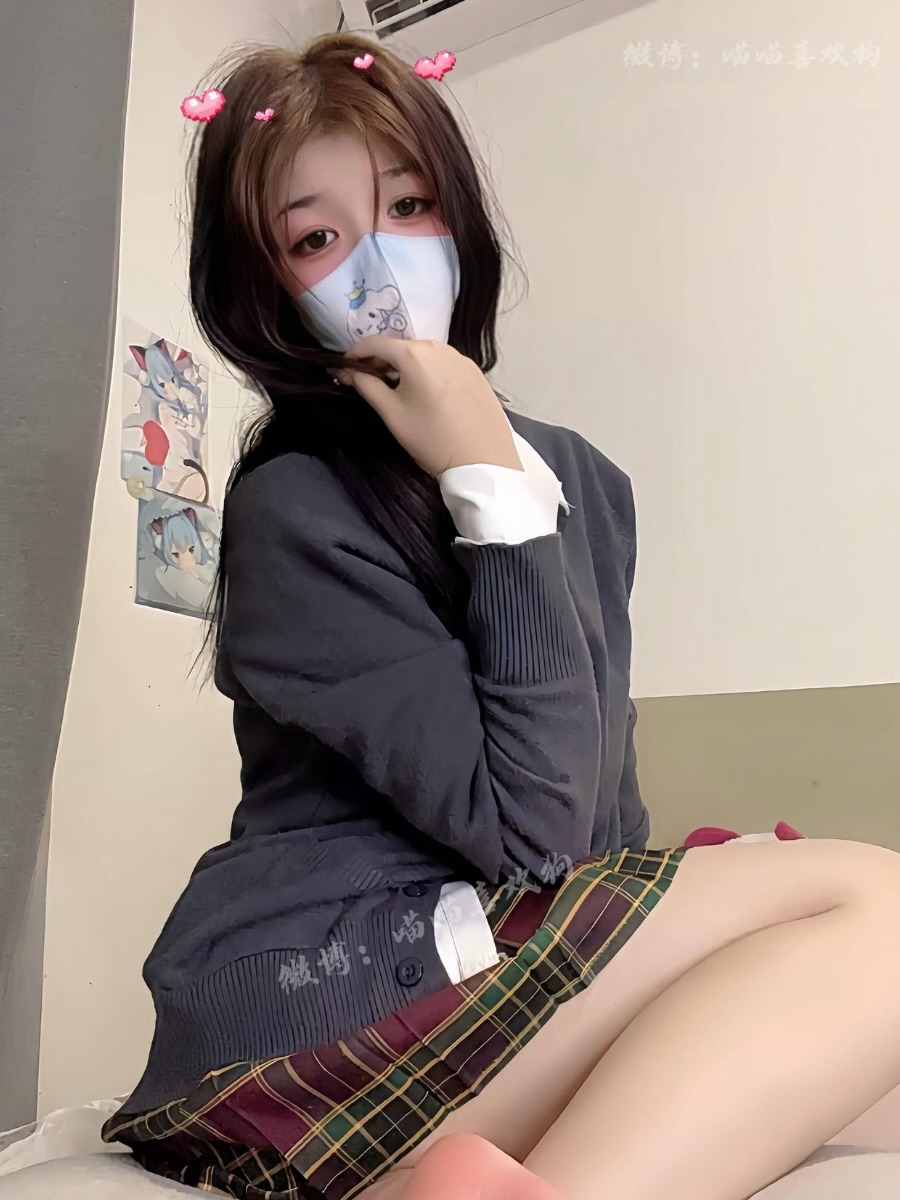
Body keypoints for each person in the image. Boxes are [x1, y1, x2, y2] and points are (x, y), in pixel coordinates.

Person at [102, 33, 900, 1200]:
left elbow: (593, 792)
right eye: (317, 238)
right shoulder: (297, 505)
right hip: (318, 992)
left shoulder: (584, 479)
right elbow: (540, 840)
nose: (380, 265)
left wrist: (697, 900)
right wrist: (489, 488)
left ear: (461, 219)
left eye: (408, 205)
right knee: (882, 910)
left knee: (864, 1058)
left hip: (494, 945)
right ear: (266, 288)